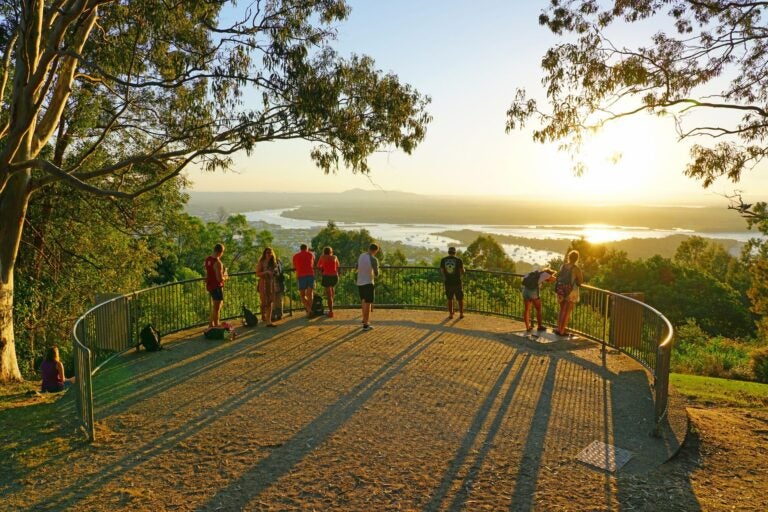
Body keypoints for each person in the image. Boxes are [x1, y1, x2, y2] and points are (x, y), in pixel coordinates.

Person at [555, 250, 585, 337]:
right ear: (576, 259)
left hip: (560, 289)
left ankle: (558, 328)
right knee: (567, 311)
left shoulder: (563, 266)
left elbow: (559, 276)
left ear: (568, 257)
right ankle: (562, 331)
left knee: (561, 310)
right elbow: (581, 280)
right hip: (571, 291)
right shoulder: (576, 269)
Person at [521, 268, 557, 332]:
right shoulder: (545, 274)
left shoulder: (535, 273)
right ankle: (539, 326)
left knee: (527, 309)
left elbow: (525, 277)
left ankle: (528, 327)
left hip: (525, 291)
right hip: (533, 292)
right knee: (538, 309)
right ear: (549, 273)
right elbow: (554, 279)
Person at [356, 243, 380, 331]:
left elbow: (356, 266)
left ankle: (364, 319)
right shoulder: (373, 259)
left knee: (363, 301)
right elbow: (377, 274)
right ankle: (366, 324)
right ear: (375, 251)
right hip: (368, 282)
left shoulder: (361, 256)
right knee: (368, 303)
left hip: (360, 282)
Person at [205, 243, 227, 327]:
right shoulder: (218, 262)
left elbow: (209, 273)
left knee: (215, 306)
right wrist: (225, 277)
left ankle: (211, 323)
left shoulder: (208, 259)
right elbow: (219, 278)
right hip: (217, 286)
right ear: (220, 252)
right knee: (217, 307)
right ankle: (216, 324)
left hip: (210, 285)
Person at [440, 246, 465, 319]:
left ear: (448, 252)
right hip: (457, 282)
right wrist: (465, 270)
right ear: (455, 252)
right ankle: (461, 314)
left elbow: (442, 270)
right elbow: (462, 271)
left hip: (448, 282)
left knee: (450, 299)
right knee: (460, 298)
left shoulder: (443, 260)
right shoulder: (459, 260)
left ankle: (451, 314)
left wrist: (446, 276)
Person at [255, 247, 279, 327]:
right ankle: (263, 314)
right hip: (263, 283)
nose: (269, 254)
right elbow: (257, 273)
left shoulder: (274, 262)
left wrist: (275, 272)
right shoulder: (261, 262)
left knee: (270, 301)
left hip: (271, 283)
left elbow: (276, 272)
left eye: (270, 252)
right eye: (267, 253)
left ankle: (269, 321)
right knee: (264, 302)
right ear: (264, 254)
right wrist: (266, 272)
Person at [292, 243, 315, 317]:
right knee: (310, 294)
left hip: (301, 276)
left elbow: (295, 266)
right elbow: (312, 264)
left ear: (300, 249)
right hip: (310, 275)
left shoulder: (296, 256)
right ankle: (309, 311)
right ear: (306, 248)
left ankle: (309, 310)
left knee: (302, 295)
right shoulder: (311, 255)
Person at [317, 246, 340, 318]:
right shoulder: (334, 257)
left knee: (329, 295)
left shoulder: (322, 257)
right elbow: (338, 266)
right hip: (334, 277)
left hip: (326, 276)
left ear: (324, 252)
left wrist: (323, 267)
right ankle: (331, 304)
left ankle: (331, 311)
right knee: (332, 289)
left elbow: (318, 266)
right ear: (331, 251)